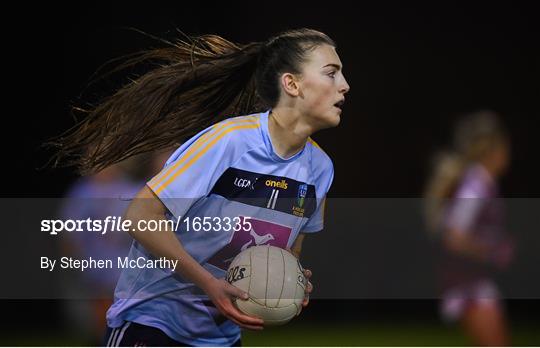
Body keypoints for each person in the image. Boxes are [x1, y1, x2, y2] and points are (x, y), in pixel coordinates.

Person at [51, 28, 350, 346]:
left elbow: (288, 250)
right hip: (152, 325)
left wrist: (290, 279)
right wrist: (209, 283)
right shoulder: (228, 142)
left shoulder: (320, 169)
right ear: (292, 84)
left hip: (220, 337)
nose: (345, 86)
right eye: (331, 74)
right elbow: (139, 216)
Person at [424, 111, 514, 346]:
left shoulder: (483, 183)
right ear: (492, 150)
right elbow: (453, 237)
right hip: (465, 283)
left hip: (476, 280)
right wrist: (491, 252)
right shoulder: (475, 185)